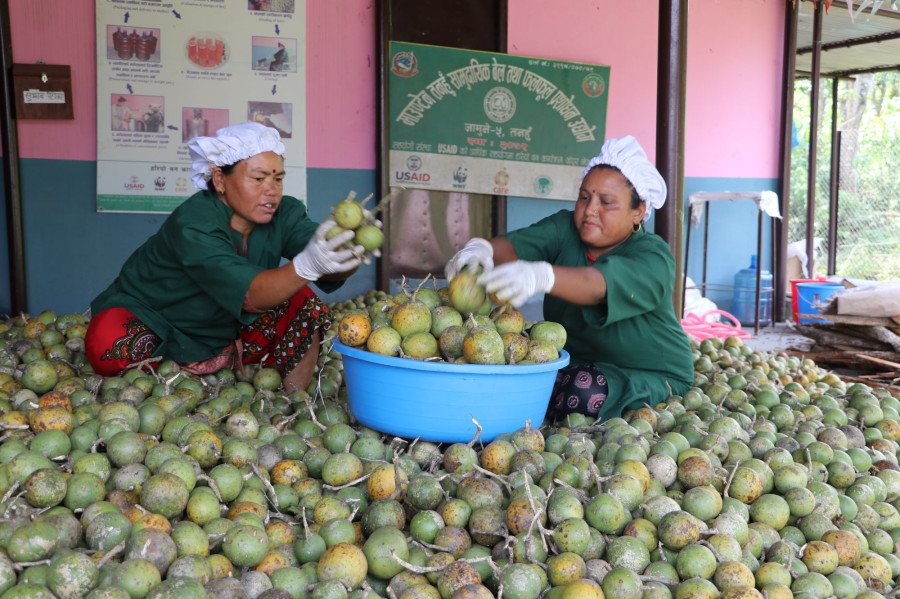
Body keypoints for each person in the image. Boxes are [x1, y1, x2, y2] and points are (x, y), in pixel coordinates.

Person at [86, 122, 364, 393]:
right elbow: (249, 296)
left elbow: (328, 259)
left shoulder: (284, 214)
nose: (271, 190)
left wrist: (351, 250)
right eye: (258, 179)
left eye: (278, 179)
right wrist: (307, 265)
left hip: (225, 326)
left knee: (302, 302)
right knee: (108, 343)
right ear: (220, 180)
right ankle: (178, 372)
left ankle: (293, 401)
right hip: (159, 319)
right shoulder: (194, 223)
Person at [445, 135, 693, 422]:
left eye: (606, 202)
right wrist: (482, 250)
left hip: (647, 373)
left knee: (582, 389)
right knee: (510, 363)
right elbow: (516, 245)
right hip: (571, 360)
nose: (590, 210)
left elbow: (597, 285)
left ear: (638, 211)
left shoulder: (653, 257)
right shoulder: (566, 228)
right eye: (584, 197)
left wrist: (541, 276)